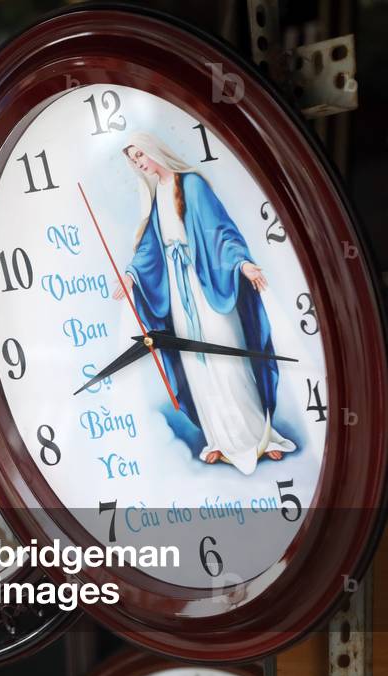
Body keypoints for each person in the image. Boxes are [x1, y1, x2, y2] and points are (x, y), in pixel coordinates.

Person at [115, 132, 295, 475]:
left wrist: (242, 263)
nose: (139, 163)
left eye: (140, 154)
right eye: (133, 160)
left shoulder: (193, 185)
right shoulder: (156, 200)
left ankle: (260, 437)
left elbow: (221, 232)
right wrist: (130, 275)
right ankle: (220, 440)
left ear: (154, 149)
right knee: (198, 365)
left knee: (225, 354)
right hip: (182, 301)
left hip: (205, 287)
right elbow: (150, 250)